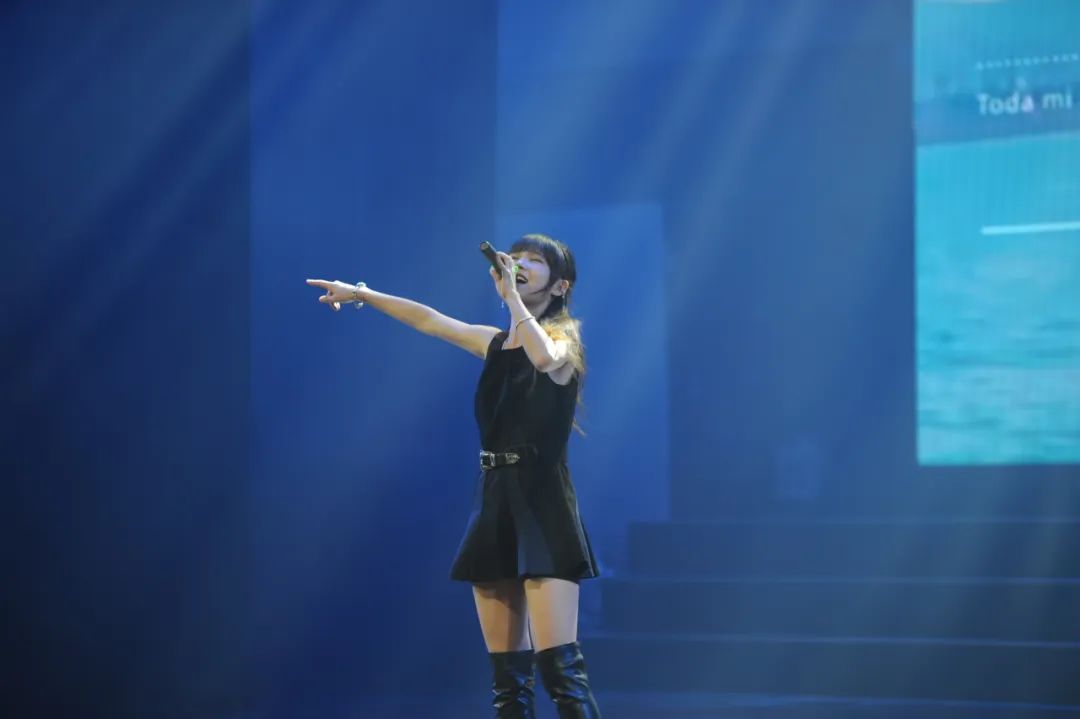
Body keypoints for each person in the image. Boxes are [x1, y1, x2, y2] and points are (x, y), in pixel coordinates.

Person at [306, 233, 601, 717]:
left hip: (544, 502)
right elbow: (431, 320)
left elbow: (544, 358)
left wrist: (512, 301)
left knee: (560, 672)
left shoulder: (565, 342)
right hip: (495, 498)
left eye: (534, 261)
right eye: (516, 257)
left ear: (560, 285)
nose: (519, 264)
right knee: (508, 682)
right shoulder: (495, 344)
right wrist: (361, 294)